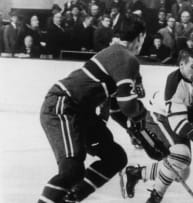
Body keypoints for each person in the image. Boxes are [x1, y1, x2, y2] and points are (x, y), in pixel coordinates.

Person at [37, 15, 147, 203]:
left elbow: (115, 108)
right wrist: (142, 122)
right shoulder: (124, 56)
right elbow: (128, 104)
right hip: (64, 106)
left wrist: (132, 128)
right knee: (72, 170)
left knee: (115, 158)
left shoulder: (119, 55)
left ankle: (70, 198)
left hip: (81, 110)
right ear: (140, 36)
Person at [124, 48, 193, 203]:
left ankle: (137, 173)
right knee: (181, 156)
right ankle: (155, 197)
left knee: (181, 171)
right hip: (159, 115)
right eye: (192, 67)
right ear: (181, 65)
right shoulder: (174, 83)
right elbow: (177, 124)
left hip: (179, 117)